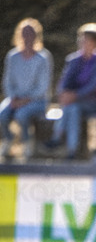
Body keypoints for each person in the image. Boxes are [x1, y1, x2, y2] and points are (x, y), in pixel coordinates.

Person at [49, 23, 96, 159]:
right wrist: (63, 93)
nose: (82, 42)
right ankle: (71, 149)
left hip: (93, 102)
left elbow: (94, 86)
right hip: (73, 102)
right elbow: (64, 81)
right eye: (81, 39)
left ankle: (59, 139)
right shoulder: (73, 60)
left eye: (86, 40)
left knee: (72, 107)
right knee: (73, 108)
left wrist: (74, 95)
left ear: (95, 42)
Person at [0, 18, 53, 160]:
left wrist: (25, 100)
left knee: (21, 115)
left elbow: (43, 87)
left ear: (36, 35)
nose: (27, 37)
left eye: (31, 33)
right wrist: (13, 97)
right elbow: (7, 81)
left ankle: (27, 143)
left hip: (36, 100)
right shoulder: (13, 56)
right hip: (15, 99)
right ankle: (8, 139)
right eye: (24, 33)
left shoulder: (43, 58)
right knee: (2, 114)